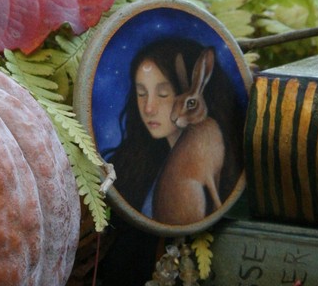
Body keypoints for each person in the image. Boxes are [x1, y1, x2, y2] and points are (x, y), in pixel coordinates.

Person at [103, 36, 243, 218]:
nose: (149, 108)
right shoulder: (134, 170)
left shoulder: (216, 150)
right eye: (141, 93)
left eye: (163, 94)